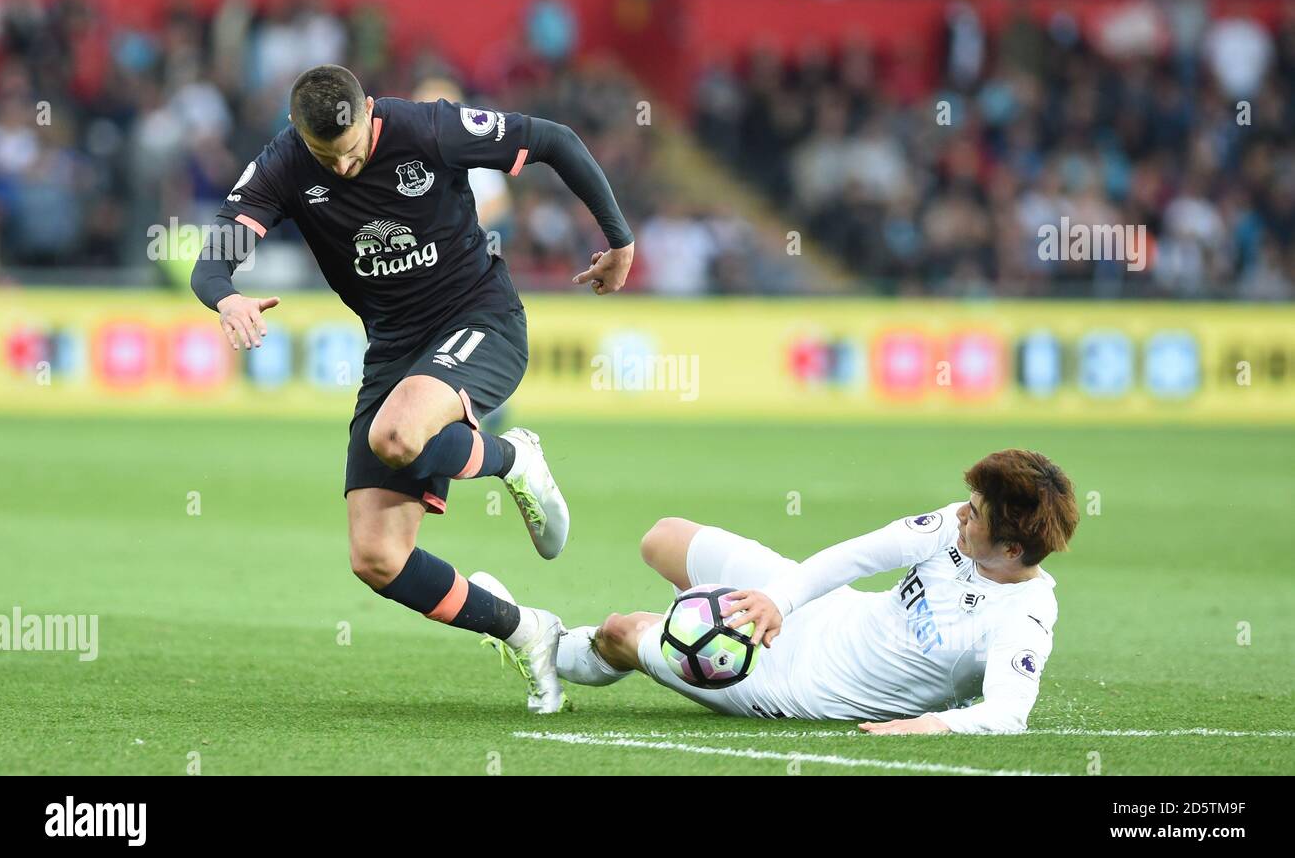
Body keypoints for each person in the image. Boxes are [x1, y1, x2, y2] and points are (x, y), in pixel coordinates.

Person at [190, 64, 635, 713]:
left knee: (398, 434)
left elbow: (555, 140)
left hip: (480, 318)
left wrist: (618, 240)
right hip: (394, 350)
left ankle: (513, 457)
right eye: (325, 156)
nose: (341, 168)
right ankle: (526, 631)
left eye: (350, 152)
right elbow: (212, 261)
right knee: (377, 556)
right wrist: (227, 299)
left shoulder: (428, 128)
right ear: (299, 134)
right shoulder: (283, 164)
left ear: (369, 112)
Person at [547, 450, 1078, 732]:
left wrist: (929, 724)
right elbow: (858, 555)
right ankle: (696, 620)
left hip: (800, 687)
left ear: (1012, 550)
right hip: (826, 613)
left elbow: (1008, 713)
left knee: (623, 630)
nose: (960, 512)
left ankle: (544, 646)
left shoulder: (1023, 617)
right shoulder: (956, 526)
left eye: (976, 513)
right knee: (662, 539)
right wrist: (779, 601)